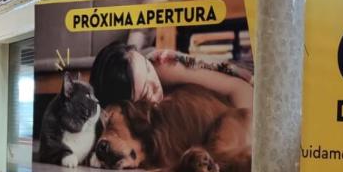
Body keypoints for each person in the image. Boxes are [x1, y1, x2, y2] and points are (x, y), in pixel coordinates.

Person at [89, 40, 253, 112]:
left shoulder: (163, 67)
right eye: (147, 92)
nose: (155, 84)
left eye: (147, 67)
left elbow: (239, 88)